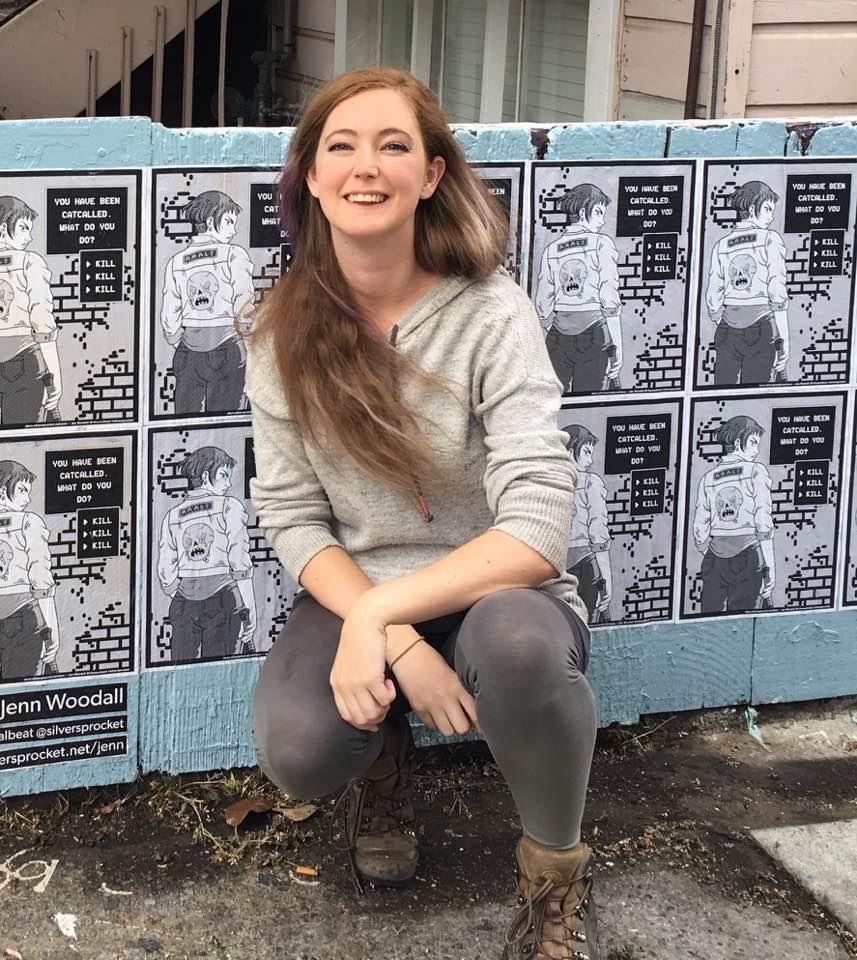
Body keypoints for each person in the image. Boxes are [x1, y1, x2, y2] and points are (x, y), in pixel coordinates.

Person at [245, 68, 600, 959]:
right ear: (313, 177)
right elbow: (291, 517)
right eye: (342, 147)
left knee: (519, 651)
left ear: (432, 175)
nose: (367, 167)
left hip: (498, 591)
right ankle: (382, 760)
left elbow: (536, 524)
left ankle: (553, 881)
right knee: (298, 751)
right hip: (361, 585)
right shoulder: (281, 332)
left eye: (394, 145)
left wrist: (377, 616)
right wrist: (388, 630)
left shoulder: (491, 313)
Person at [157, 446, 257, 662]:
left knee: (181, 677)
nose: (228, 484)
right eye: (223, 475)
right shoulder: (230, 507)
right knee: (222, 674)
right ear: (205, 476)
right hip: (224, 598)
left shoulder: (173, 515)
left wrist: (183, 594)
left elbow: (166, 570)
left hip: (184, 603)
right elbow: (239, 562)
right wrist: (248, 609)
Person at [160, 191, 255, 414]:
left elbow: (169, 314)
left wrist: (177, 340)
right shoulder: (234, 255)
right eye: (229, 221)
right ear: (212, 221)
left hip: (187, 353)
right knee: (224, 424)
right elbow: (244, 306)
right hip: (228, 347)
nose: (234, 230)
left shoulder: (176, 262)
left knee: (184, 425)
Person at [534, 183, 622, 393]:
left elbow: (543, 305)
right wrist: (617, 346)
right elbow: (609, 298)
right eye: (599, 212)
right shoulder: (602, 244)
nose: (602, 221)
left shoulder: (551, 249)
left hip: (556, 337)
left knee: (553, 406)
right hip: (594, 333)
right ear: (583, 212)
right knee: (590, 405)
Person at [705, 181, 789, 386]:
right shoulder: (770, 239)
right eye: (767, 209)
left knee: (721, 394)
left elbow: (714, 293)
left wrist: (721, 317)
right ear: (752, 209)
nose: (771, 216)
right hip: (761, 325)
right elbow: (777, 290)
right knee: (755, 392)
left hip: (726, 329)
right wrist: (783, 339)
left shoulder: (721, 245)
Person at [692, 415, 775, 613]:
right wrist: (769, 566)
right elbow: (763, 521)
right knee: (742, 622)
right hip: (748, 554)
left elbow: (699, 528)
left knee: (710, 623)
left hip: (715, 557)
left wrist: (710, 550)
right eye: (753, 442)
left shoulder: (708, 478)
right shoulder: (756, 471)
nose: (756, 450)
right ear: (738, 442)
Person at [0, 197, 62, 424]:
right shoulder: (30, 263)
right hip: (24, 358)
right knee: (22, 439)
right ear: (3, 227)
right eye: (24, 228)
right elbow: (42, 323)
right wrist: (54, 377)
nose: (29, 237)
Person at [0, 460, 60, 680]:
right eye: (22, 490)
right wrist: (51, 630)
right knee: (23, 694)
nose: (28, 499)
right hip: (23, 615)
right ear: (2, 491)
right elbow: (41, 583)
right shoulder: (29, 522)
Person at [562, 425, 612, 623]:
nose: (590, 460)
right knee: (586, 625)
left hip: (554, 564)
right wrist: (607, 581)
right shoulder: (591, 482)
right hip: (586, 563)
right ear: (569, 450)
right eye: (586, 452)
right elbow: (598, 533)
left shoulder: (546, 479)